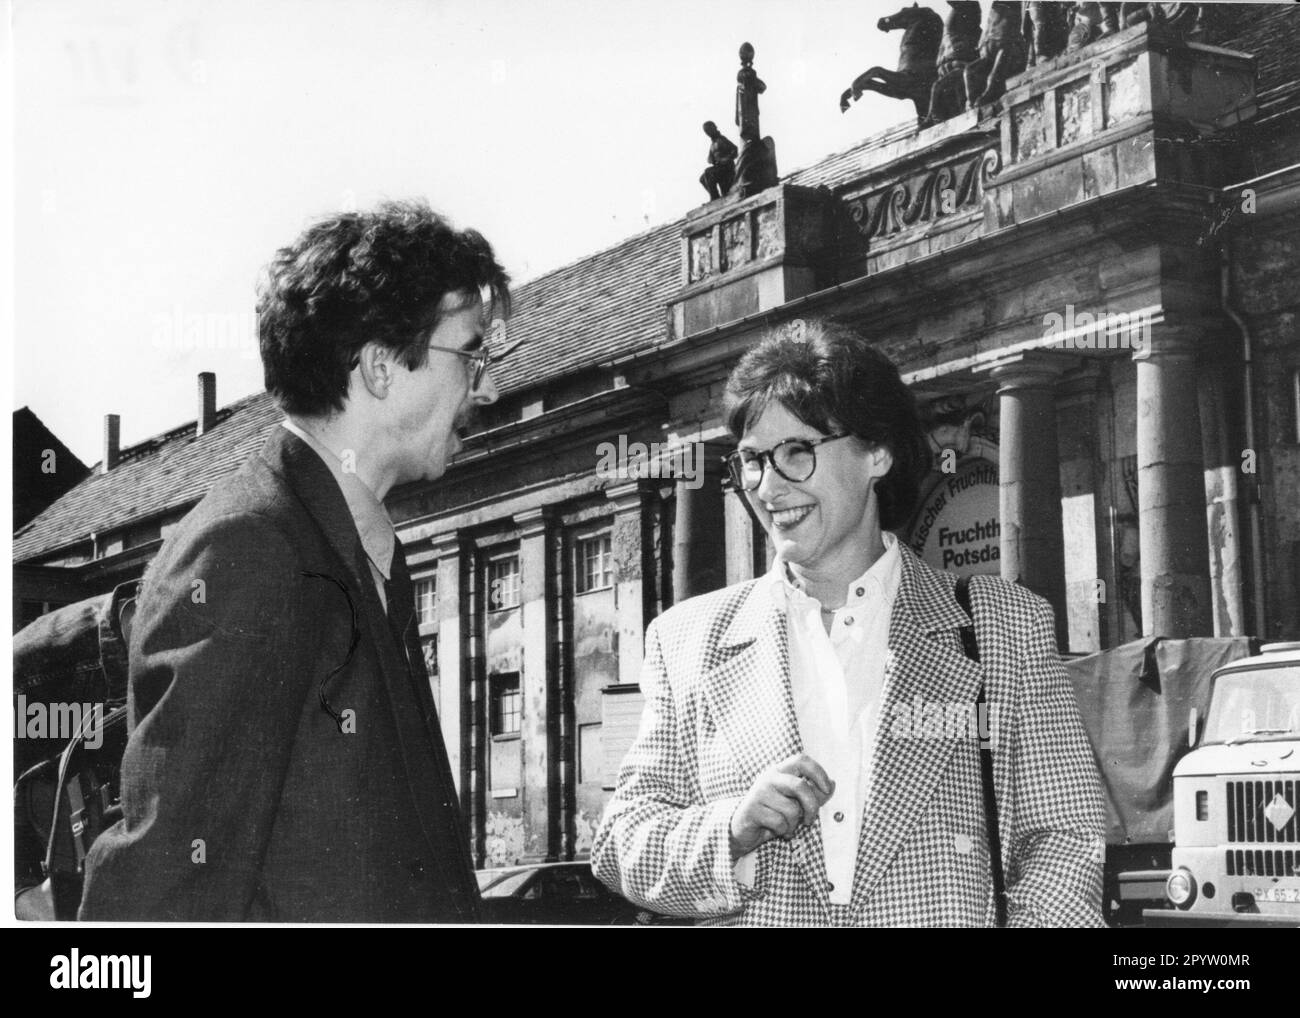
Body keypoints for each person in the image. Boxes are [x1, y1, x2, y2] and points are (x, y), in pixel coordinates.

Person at [79, 199, 513, 922]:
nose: (489, 385)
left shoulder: (349, 551)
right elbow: (161, 897)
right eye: (472, 353)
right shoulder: (251, 554)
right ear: (381, 367)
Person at [591, 319, 1106, 927]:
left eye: (796, 452)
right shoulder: (686, 641)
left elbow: (1066, 836)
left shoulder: (1002, 624)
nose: (768, 486)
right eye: (752, 460)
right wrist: (729, 828)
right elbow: (621, 841)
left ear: (876, 453)